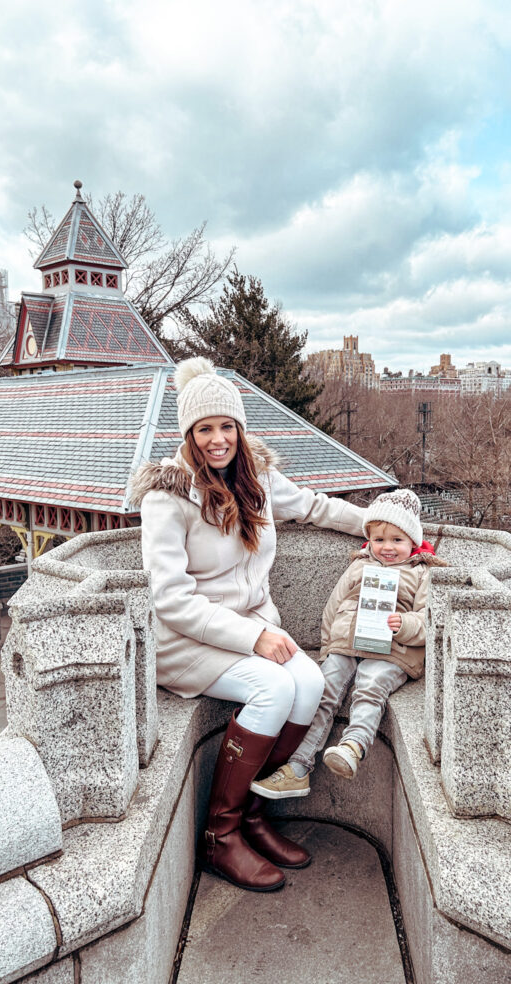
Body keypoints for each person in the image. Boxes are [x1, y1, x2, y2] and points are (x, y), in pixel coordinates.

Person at [130, 357, 364, 893]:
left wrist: (378, 524)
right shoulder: (167, 498)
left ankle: (257, 816)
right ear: (188, 434)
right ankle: (221, 834)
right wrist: (254, 636)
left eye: (227, 426)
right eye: (205, 429)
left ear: (239, 428)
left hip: (254, 627)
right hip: (189, 641)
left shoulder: (255, 476)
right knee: (275, 688)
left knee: (310, 682)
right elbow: (171, 601)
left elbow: (312, 507)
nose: (218, 439)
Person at [251, 489, 446, 797]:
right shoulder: (359, 564)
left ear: (413, 540)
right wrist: (329, 645)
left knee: (371, 686)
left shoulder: (423, 572)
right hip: (347, 644)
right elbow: (334, 605)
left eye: (397, 540)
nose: (387, 548)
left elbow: (429, 621)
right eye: (379, 540)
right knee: (323, 690)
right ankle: (298, 767)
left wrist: (404, 625)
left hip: (392, 652)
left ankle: (353, 746)